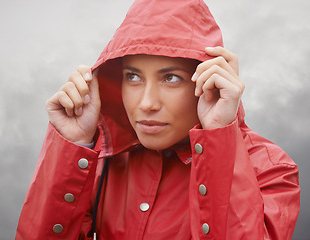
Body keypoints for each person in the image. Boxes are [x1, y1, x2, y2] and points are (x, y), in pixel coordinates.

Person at [16, 0, 300, 239]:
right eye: (133, 77)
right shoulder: (98, 159)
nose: (147, 103)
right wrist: (71, 146)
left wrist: (218, 137)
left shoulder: (271, 170)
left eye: (171, 78)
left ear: (208, 80)